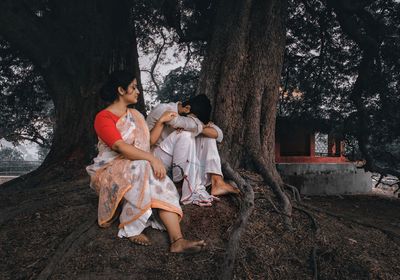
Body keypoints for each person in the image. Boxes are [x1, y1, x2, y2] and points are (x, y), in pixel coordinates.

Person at [86, 70, 205, 253]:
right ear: (120, 90)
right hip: (110, 170)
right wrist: (151, 159)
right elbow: (119, 147)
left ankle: (177, 240)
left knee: (157, 177)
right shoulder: (104, 117)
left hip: (136, 165)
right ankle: (130, 227)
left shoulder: (136, 115)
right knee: (145, 165)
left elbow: (147, 143)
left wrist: (161, 122)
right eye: (133, 87)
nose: (137, 91)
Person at [146, 95, 239, 207]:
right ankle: (180, 185)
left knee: (208, 137)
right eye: (193, 119)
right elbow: (147, 142)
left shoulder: (189, 116)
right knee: (185, 135)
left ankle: (217, 182)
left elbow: (219, 134)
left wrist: (200, 128)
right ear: (187, 109)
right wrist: (195, 126)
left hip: (177, 158)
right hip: (157, 159)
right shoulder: (164, 109)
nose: (194, 122)